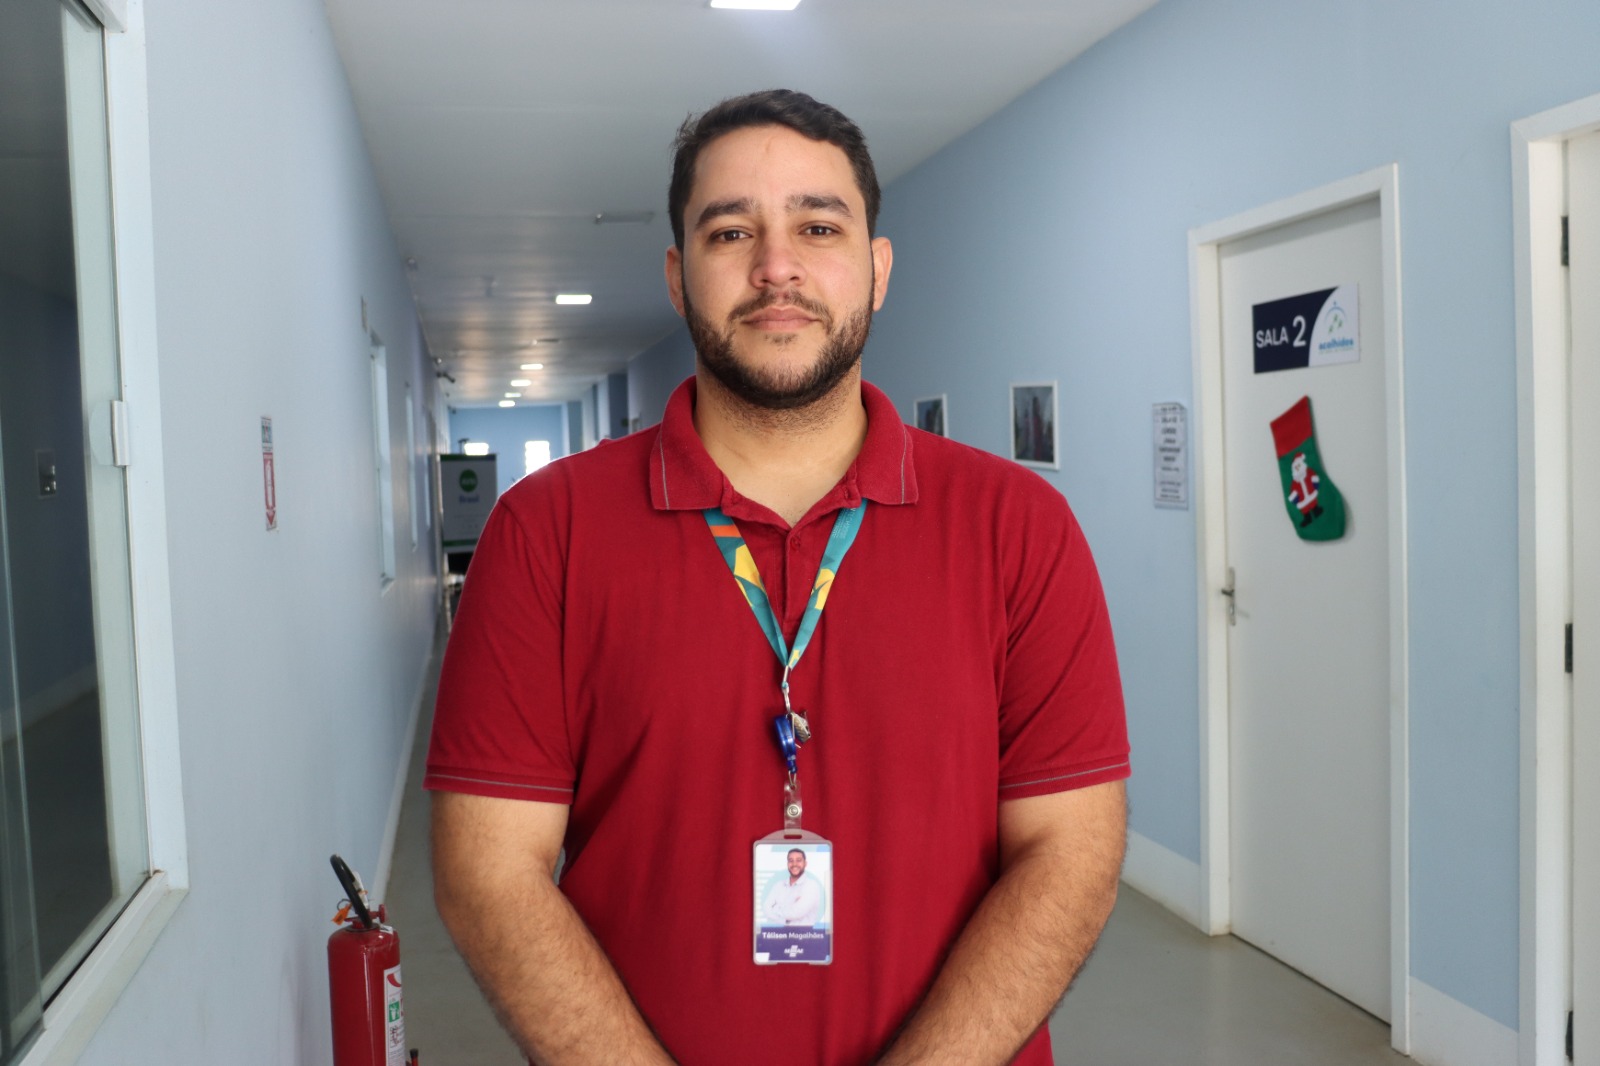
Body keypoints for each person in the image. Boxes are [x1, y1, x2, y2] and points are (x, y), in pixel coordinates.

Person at [426, 88, 1130, 1066]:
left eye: (818, 226)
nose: (776, 266)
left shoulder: (1019, 528)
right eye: (729, 232)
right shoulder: (546, 532)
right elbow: (488, 872)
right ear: (677, 278)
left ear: (877, 270)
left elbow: (1070, 851)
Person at [762, 849, 824, 927]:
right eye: (791, 860)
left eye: (798, 860)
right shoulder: (778, 885)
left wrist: (775, 908)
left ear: (805, 863)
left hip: (805, 933)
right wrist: (785, 918)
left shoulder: (811, 885)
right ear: (787, 864)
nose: (794, 864)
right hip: (779, 933)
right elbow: (766, 908)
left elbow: (796, 913)